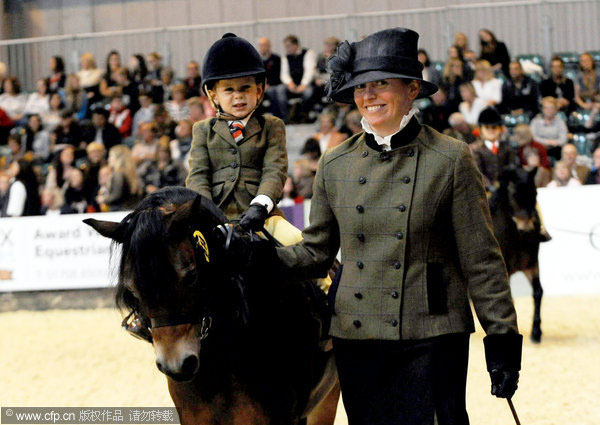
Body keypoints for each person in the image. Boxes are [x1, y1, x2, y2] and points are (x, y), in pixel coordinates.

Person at [271, 28, 522, 425]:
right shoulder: (335, 164)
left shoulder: (451, 158)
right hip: (357, 335)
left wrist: (503, 339)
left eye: (380, 84)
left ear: (412, 89)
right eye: (360, 87)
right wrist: (255, 258)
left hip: (434, 332)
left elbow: (481, 260)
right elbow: (316, 252)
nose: (368, 96)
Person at [276, 34, 318, 122]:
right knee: (279, 90)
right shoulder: (285, 57)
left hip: (306, 84)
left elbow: (309, 71)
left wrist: (303, 84)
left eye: (288, 46)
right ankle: (285, 117)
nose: (287, 49)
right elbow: (284, 74)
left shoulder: (308, 53)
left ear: (296, 45)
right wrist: (289, 83)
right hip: (292, 85)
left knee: (308, 92)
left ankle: (304, 116)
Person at [529, 97, 568, 161]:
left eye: (552, 108)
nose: (549, 110)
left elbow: (564, 139)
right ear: (542, 109)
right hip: (539, 149)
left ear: (556, 110)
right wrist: (547, 142)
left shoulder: (560, 122)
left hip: (556, 149)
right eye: (547, 108)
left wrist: (556, 142)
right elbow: (532, 137)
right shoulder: (535, 121)